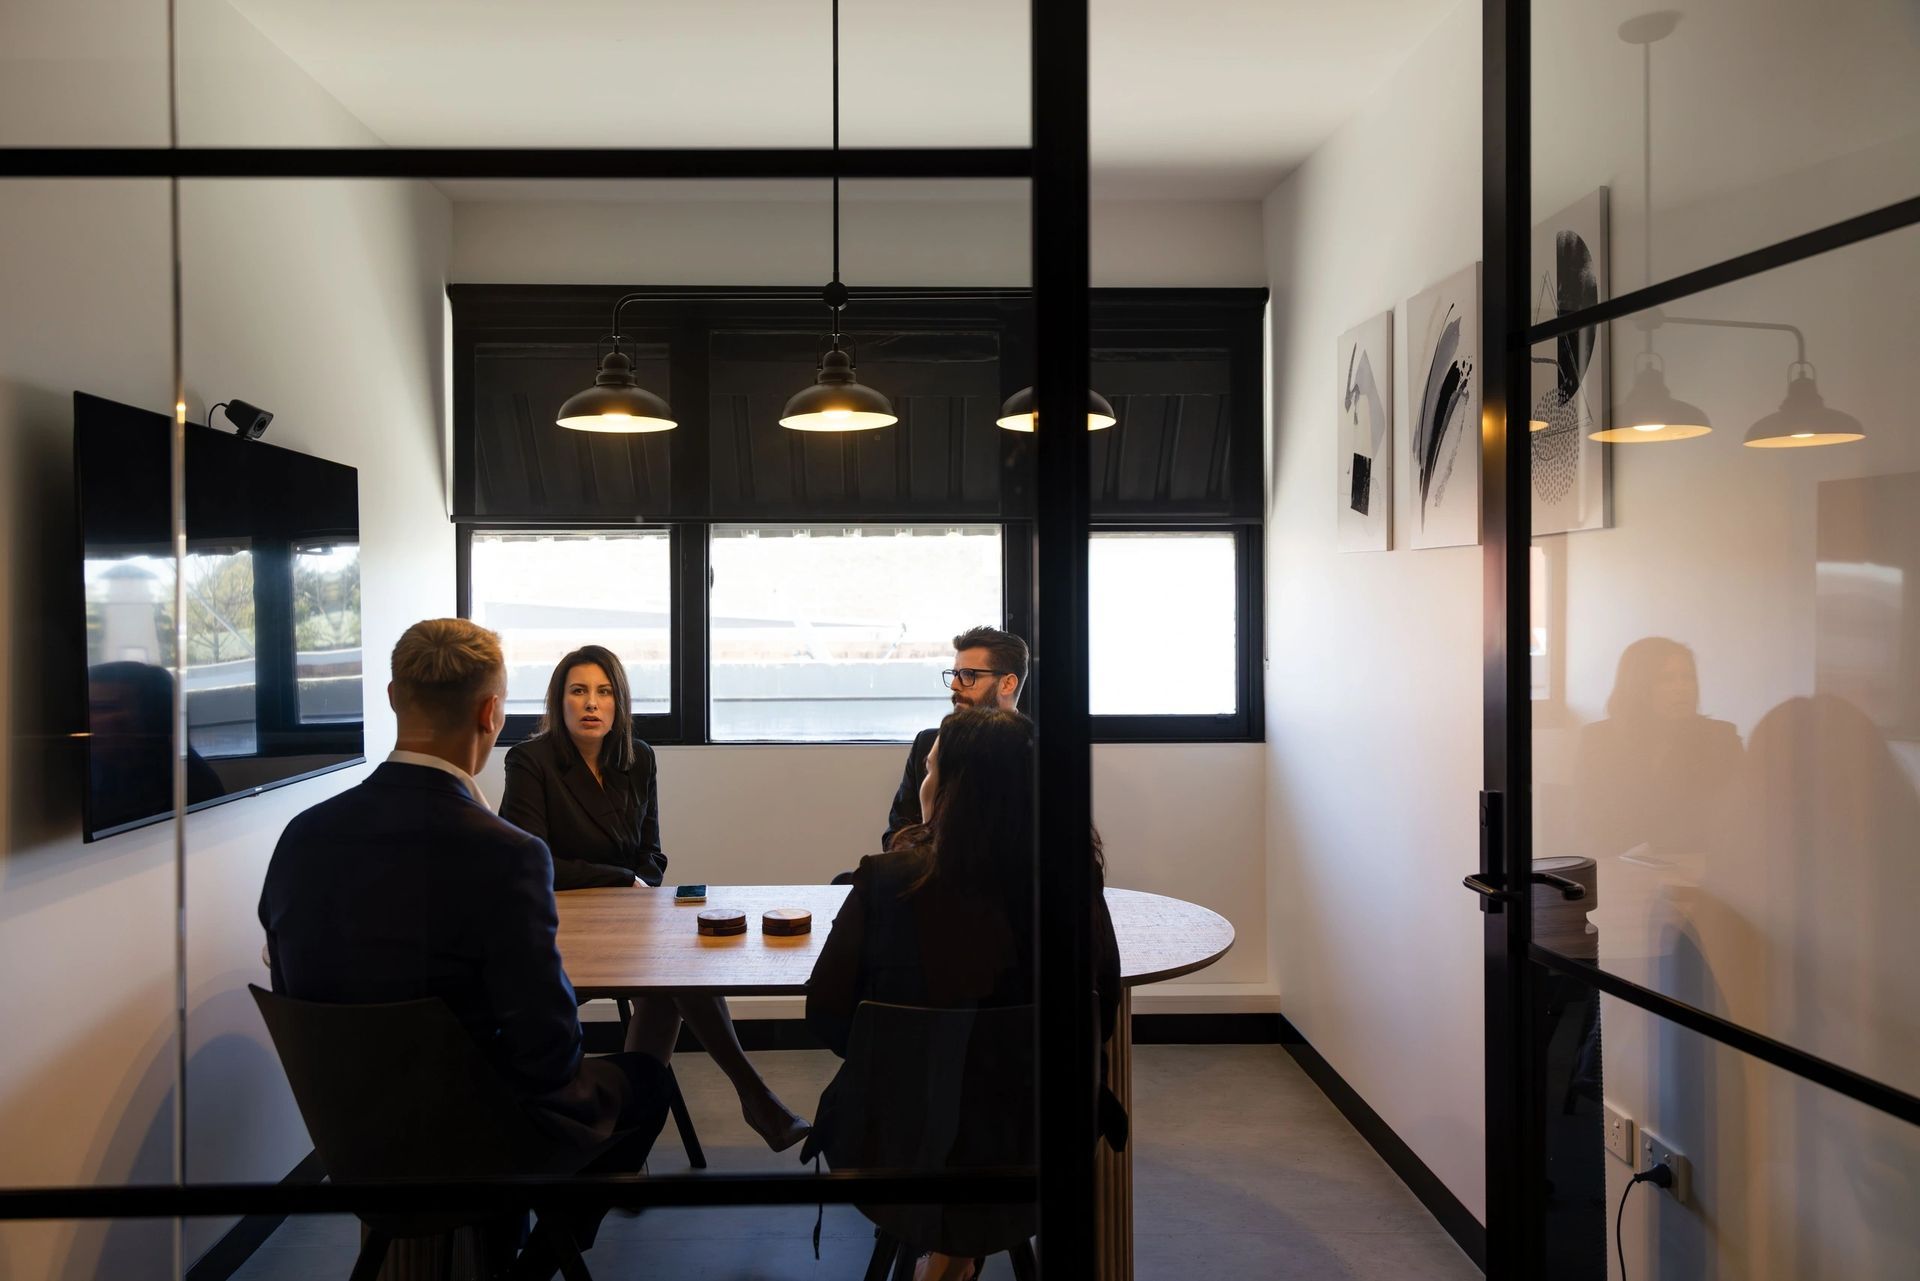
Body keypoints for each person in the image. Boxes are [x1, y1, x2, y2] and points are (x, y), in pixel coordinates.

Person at [258, 619, 667, 1273]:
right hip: (475, 1142)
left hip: (352, 1140)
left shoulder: (300, 838)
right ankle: (531, 1269)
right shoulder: (505, 855)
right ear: (491, 712)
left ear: (394, 696)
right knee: (648, 1078)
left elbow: (291, 972)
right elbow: (550, 1054)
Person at [808, 706, 1122, 1281]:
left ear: (953, 786)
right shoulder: (1071, 880)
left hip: (897, 1142)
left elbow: (827, 1018)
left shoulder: (886, 881)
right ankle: (956, 1256)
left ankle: (951, 1253)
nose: (923, 782)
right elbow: (1099, 1014)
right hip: (1038, 1139)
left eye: (931, 770)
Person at [499, 645, 809, 1154]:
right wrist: (622, 879)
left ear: (619, 702)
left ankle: (627, 1143)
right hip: (559, 931)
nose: (591, 703)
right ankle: (752, 1099)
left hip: (629, 921)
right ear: (559, 702)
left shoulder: (638, 757)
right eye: (578, 691)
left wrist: (636, 883)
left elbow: (653, 854)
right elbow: (533, 862)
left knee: (678, 973)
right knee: (672, 981)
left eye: (603, 692)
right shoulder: (530, 761)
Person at [1572, 637, 1743, 861]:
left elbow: (1736, 823)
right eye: (1666, 679)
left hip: (1698, 873)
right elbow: (1588, 823)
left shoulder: (1721, 739)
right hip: (1618, 870)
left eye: (1688, 678)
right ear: (1637, 686)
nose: (1681, 688)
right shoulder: (1598, 740)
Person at [880, 625, 1030, 852]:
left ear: (1007, 684)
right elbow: (894, 838)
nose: (954, 685)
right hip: (933, 879)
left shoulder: (1038, 750)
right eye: (955, 674)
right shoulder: (928, 745)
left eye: (969, 675)